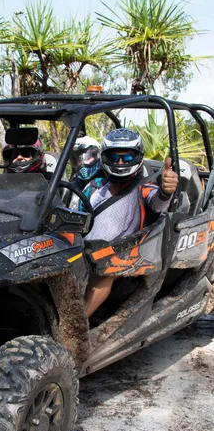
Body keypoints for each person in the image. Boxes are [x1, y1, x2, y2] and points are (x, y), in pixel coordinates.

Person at [70, 128, 179, 318]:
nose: (120, 163)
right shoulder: (94, 187)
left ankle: (75, 328)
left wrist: (166, 191)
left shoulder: (145, 189)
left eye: (127, 158)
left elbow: (158, 203)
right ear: (105, 157)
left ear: (138, 158)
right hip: (85, 249)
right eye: (114, 157)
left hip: (122, 254)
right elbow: (74, 215)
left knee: (104, 271)